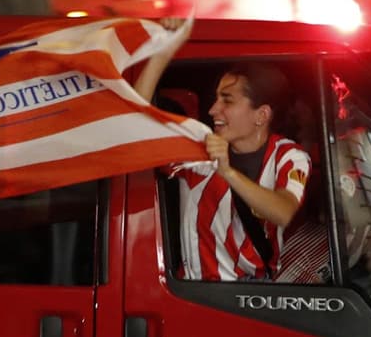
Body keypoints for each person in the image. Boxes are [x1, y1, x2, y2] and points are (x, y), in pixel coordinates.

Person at [134, 49, 312, 281]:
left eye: (227, 100)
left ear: (261, 115)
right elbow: (135, 124)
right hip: (198, 293)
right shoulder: (199, 149)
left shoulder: (288, 156)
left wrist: (227, 171)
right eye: (216, 98)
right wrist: (160, 51)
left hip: (255, 294)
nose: (213, 110)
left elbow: (283, 212)